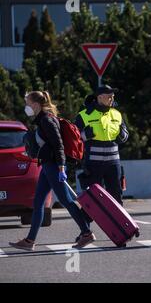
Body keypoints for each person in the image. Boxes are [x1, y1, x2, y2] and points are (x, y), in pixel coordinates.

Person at [9, 91, 95, 251]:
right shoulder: (42, 120)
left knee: (66, 200)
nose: (26, 106)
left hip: (54, 166)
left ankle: (86, 233)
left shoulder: (47, 120)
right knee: (39, 201)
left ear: (35, 104)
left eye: (27, 103)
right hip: (48, 165)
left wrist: (62, 167)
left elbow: (58, 144)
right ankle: (30, 241)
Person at [75, 85, 129, 207]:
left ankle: (119, 225)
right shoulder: (84, 115)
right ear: (100, 97)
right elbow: (74, 139)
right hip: (93, 164)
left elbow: (126, 135)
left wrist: (122, 136)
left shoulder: (117, 114)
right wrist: (85, 135)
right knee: (93, 199)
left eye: (113, 97)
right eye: (109, 97)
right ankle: (85, 225)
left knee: (116, 196)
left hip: (113, 164)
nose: (112, 99)